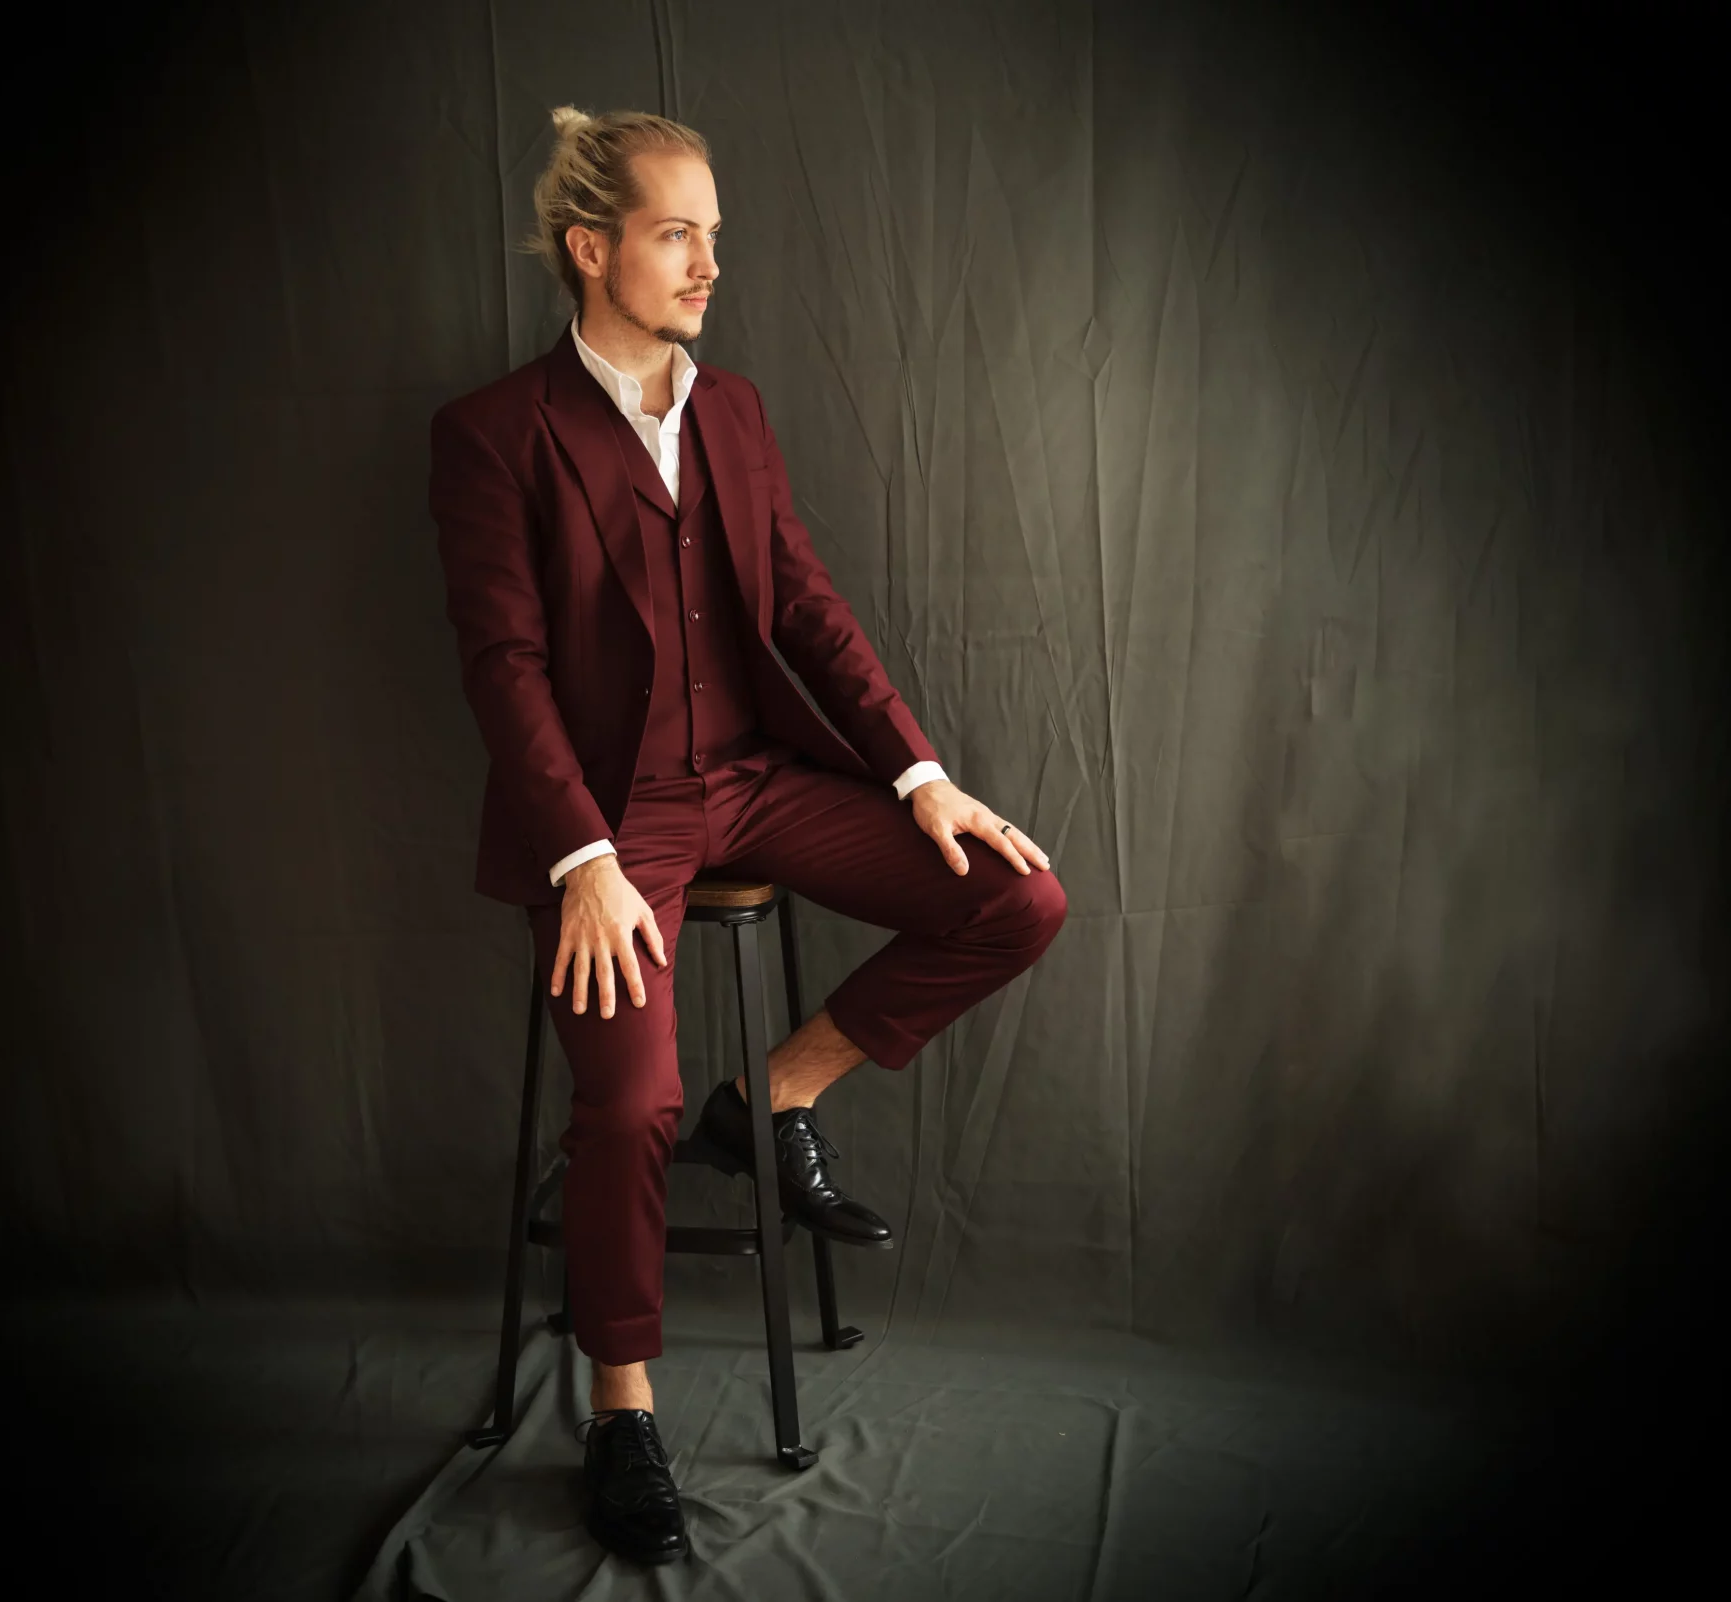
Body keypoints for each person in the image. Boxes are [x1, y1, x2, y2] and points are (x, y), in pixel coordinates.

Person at [428, 103, 1066, 1567]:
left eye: (713, 235)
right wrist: (583, 860)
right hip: (612, 818)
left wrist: (920, 774)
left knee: (1015, 900)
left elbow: (805, 607)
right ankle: (621, 1408)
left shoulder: (734, 411)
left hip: (757, 778)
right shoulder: (495, 434)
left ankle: (765, 1100)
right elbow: (503, 666)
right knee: (627, 1103)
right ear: (591, 249)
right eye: (677, 234)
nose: (710, 264)